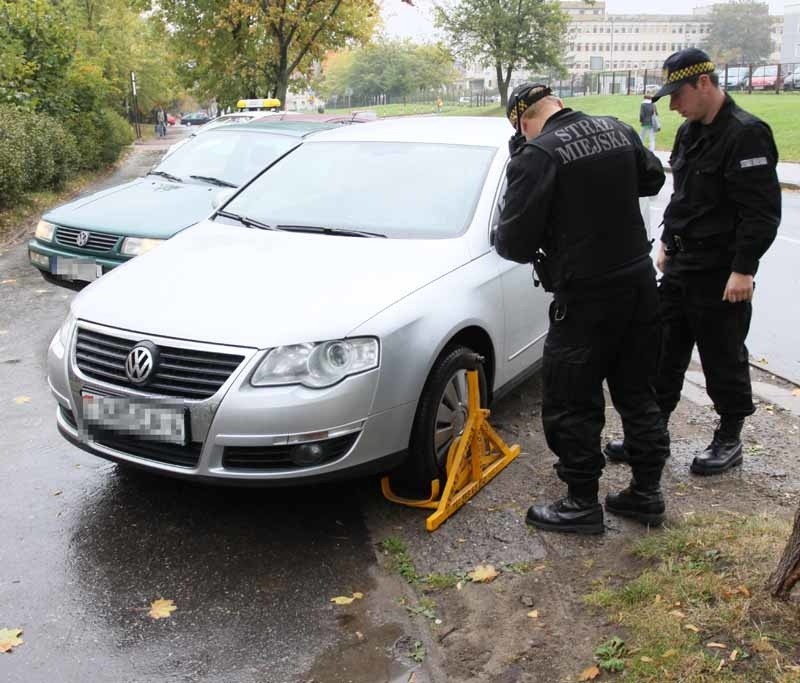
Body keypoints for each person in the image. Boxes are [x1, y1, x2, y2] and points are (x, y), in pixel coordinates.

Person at [495, 83, 670, 535]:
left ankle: (580, 503)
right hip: (637, 284)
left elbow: (512, 244)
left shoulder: (538, 156)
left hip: (587, 298)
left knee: (572, 400)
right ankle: (646, 494)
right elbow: (652, 179)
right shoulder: (615, 128)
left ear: (522, 120)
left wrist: (525, 163)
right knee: (638, 391)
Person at [604, 49, 781, 475]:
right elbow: (682, 198)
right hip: (682, 264)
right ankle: (651, 432)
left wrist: (744, 268)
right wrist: (666, 241)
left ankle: (729, 436)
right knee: (661, 352)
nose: (672, 105)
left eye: (677, 95)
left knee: (722, 355)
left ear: (704, 83)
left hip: (722, 272)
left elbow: (761, 212)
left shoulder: (746, 134)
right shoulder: (688, 133)